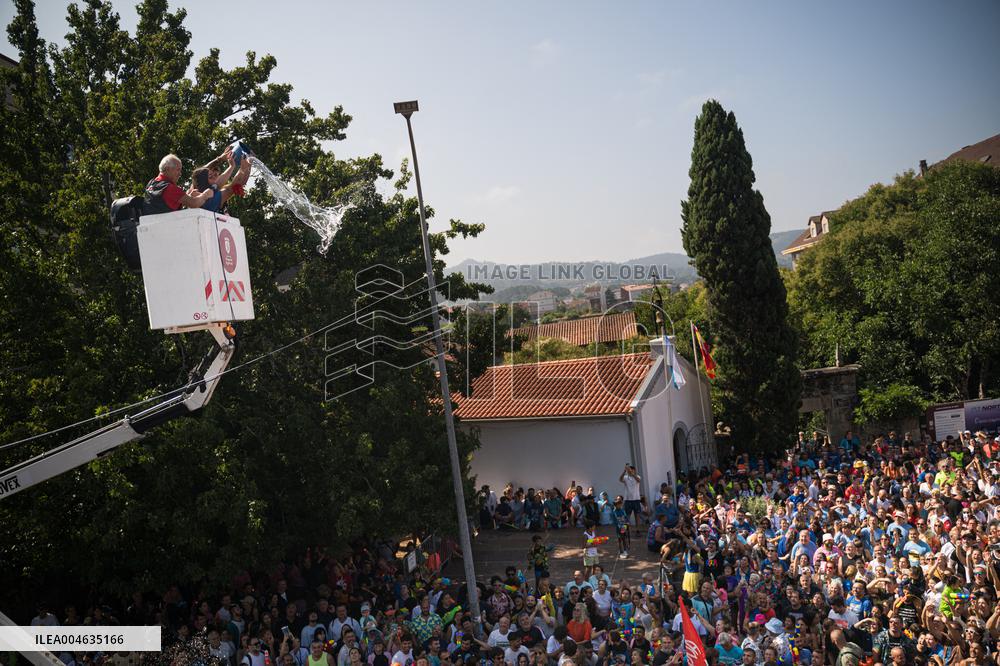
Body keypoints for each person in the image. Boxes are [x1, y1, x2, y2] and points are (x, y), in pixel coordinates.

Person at [144, 154, 213, 214]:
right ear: (167, 169)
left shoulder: (151, 183)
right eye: (178, 170)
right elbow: (194, 203)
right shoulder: (169, 188)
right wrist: (206, 194)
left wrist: (187, 196)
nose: (180, 174)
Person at [620, 464, 643, 533]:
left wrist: (632, 474)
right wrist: (624, 471)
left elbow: (638, 480)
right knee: (627, 516)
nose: (630, 471)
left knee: (637, 516)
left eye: (631, 470)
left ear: (634, 470)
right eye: (629, 470)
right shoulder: (626, 477)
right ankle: (624, 530)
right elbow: (620, 479)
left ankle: (638, 530)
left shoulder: (637, 476)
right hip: (628, 499)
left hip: (636, 499)